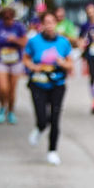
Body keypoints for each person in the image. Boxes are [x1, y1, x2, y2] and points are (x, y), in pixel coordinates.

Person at [23, 10, 73, 166]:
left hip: (57, 84)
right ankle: (39, 128)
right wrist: (33, 66)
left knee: (55, 118)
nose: (49, 26)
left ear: (56, 24)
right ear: (42, 25)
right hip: (38, 83)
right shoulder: (34, 41)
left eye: (52, 22)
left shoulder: (63, 42)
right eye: (46, 22)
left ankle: (52, 151)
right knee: (43, 117)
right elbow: (26, 59)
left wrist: (62, 63)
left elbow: (70, 64)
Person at [0, 7, 27, 124]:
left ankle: (11, 111)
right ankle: (2, 107)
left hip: (15, 61)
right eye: (6, 18)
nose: (9, 20)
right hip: (1, 60)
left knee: (12, 90)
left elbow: (25, 42)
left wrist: (15, 40)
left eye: (11, 18)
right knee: (3, 88)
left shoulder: (19, 27)